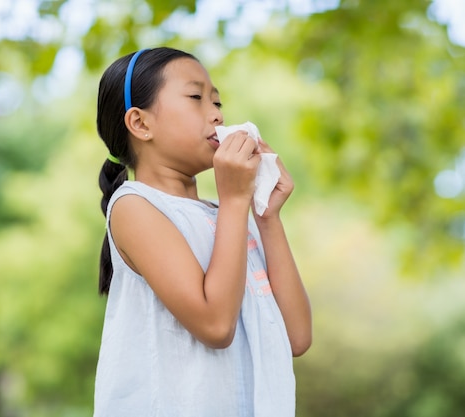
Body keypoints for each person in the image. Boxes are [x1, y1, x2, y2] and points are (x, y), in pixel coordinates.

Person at [94, 46, 312, 417]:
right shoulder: (133, 206)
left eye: (217, 101)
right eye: (196, 97)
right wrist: (235, 200)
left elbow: (296, 336)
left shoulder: (228, 213)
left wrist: (267, 217)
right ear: (141, 124)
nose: (217, 114)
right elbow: (215, 325)